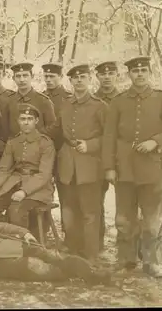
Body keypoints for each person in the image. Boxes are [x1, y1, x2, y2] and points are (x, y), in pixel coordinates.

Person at [102, 56, 162, 278]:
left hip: (151, 168)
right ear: (129, 74)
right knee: (123, 219)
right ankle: (126, 259)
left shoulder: (161, 99)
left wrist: (155, 141)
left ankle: (152, 261)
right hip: (124, 169)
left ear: (150, 73)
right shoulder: (118, 101)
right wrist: (109, 167)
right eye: (135, 71)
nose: (139, 74)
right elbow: (109, 136)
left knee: (152, 219)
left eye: (143, 70)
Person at [0, 194, 110, 284]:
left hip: (1, 245)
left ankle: (92, 274)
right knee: (35, 267)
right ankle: (73, 273)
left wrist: (23, 232)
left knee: (48, 254)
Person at [57, 64, 107, 264]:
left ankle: (91, 255)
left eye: (83, 77)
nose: (79, 81)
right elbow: (57, 129)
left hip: (90, 165)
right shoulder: (65, 103)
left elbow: (110, 136)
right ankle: (73, 252)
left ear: (90, 80)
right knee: (69, 211)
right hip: (67, 163)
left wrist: (91, 144)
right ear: (70, 81)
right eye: (75, 78)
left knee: (90, 213)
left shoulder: (100, 105)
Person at [0, 104, 54, 240]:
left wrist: (24, 191)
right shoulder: (13, 142)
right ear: (18, 121)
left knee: (16, 209)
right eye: (23, 119)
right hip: (14, 183)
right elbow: (4, 168)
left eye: (30, 119)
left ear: (36, 121)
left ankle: (25, 245)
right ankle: (3, 239)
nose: (26, 122)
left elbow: (44, 174)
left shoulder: (45, 143)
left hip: (39, 189)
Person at [41, 62, 72, 248]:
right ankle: (42, 231)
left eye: (53, 77)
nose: (49, 80)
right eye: (46, 77)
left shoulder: (68, 98)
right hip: (43, 155)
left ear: (60, 78)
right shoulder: (41, 97)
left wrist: (40, 133)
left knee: (66, 196)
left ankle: (69, 236)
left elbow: (63, 127)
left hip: (62, 153)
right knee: (43, 193)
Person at [94, 61, 121, 252]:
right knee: (96, 203)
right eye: (103, 74)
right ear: (97, 77)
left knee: (127, 205)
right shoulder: (92, 99)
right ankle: (96, 243)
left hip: (123, 157)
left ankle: (128, 247)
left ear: (117, 75)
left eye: (111, 73)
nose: (106, 77)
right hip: (97, 158)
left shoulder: (125, 98)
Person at [5, 62, 57, 139]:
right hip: (14, 147)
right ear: (13, 78)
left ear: (32, 76)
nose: (22, 80)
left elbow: (52, 128)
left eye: (25, 75)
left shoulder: (43, 101)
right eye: (18, 76)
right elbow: (4, 128)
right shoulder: (8, 100)